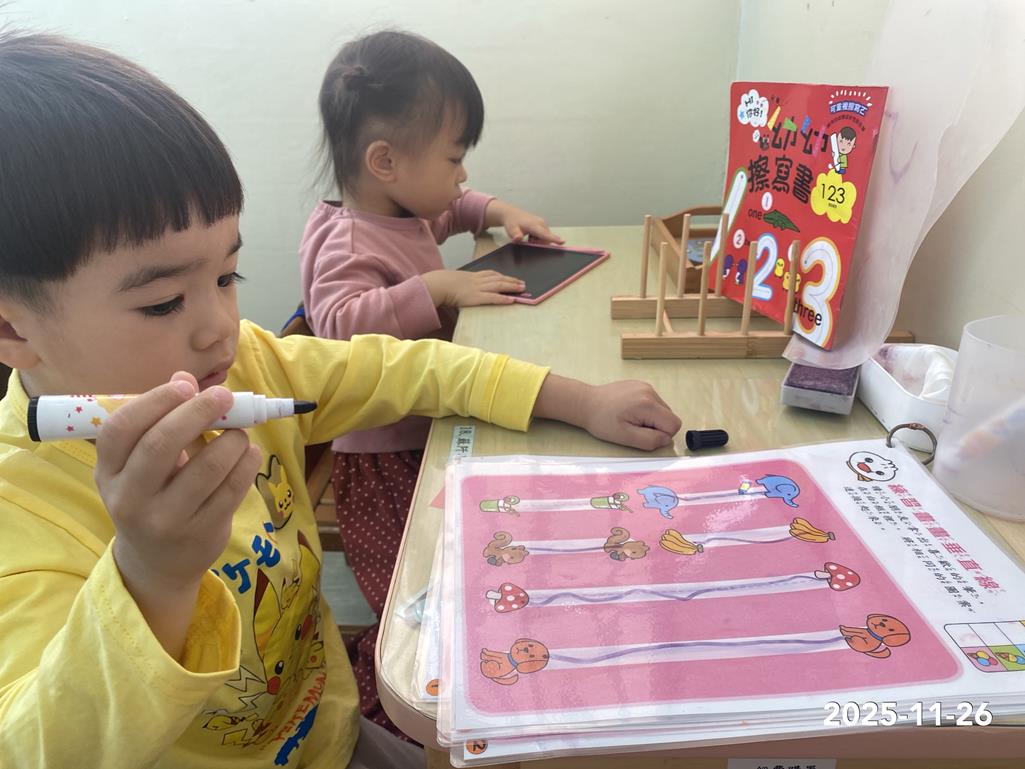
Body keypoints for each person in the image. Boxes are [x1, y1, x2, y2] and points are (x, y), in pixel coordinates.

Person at [0, 31, 682, 768]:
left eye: (228, 277)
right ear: (13, 328)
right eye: (163, 302)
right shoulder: (23, 514)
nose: (220, 327)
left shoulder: (251, 363)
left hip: (335, 733)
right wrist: (151, 578)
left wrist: (577, 400)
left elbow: (404, 368)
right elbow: (38, 748)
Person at [299, 30, 570, 733]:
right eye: (453, 157)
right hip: (380, 458)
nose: (460, 173)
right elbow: (338, 327)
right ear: (385, 161)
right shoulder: (347, 240)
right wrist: (437, 288)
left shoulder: (402, 209)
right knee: (410, 592)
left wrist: (499, 211)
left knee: (460, 558)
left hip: (426, 429)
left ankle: (466, 656)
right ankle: (392, 696)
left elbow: (456, 208)